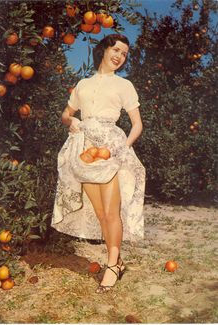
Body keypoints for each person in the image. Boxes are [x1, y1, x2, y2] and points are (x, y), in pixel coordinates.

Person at [52, 34, 145, 293]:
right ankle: (118, 260)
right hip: (85, 153)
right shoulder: (82, 84)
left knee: (112, 212)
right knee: (102, 214)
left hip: (110, 151)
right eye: (115, 49)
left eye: (124, 53)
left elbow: (137, 125)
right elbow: (66, 113)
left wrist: (121, 149)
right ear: (103, 50)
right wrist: (70, 121)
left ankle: (112, 265)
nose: (119, 56)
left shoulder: (124, 86)